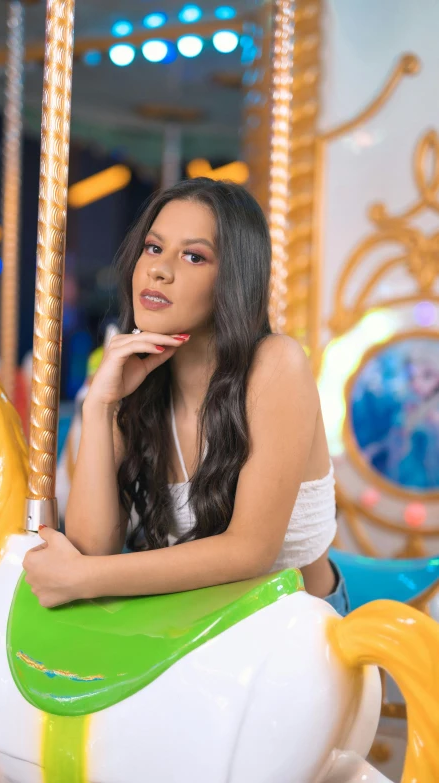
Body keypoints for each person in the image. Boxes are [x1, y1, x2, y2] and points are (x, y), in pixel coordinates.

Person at [23, 178, 349, 615]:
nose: (159, 269)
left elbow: (249, 551)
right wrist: (100, 407)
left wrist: (82, 579)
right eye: (154, 248)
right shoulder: (137, 382)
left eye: (194, 256)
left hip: (300, 634)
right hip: (194, 633)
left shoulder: (277, 364)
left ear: (233, 280)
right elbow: (92, 546)